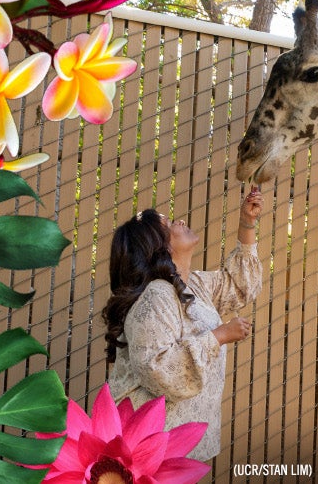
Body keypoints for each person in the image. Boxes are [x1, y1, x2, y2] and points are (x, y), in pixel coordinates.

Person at [101, 189, 264, 461]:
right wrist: (219, 336)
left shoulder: (193, 285)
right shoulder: (156, 296)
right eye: (167, 225)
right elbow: (158, 369)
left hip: (172, 444)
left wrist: (247, 223)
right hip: (146, 449)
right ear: (157, 247)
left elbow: (238, 286)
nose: (179, 222)